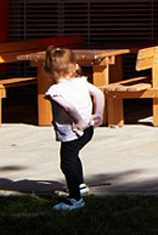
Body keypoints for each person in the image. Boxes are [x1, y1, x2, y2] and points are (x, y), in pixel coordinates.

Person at [42, 45, 104, 211]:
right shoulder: (81, 82)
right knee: (74, 156)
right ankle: (80, 185)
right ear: (75, 66)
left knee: (67, 163)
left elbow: (68, 107)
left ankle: (75, 199)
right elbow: (99, 94)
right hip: (88, 129)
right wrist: (98, 114)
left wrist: (79, 121)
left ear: (49, 70)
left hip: (73, 132)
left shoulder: (55, 90)